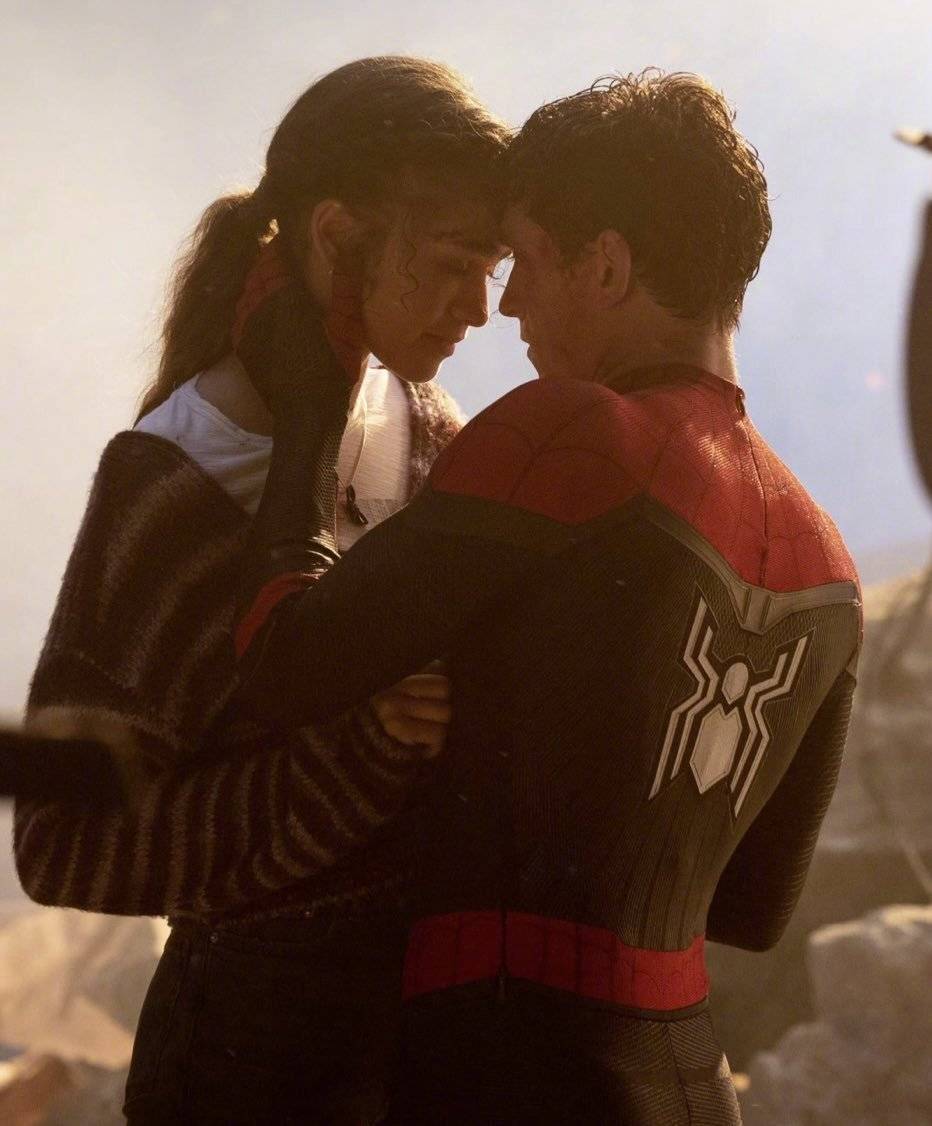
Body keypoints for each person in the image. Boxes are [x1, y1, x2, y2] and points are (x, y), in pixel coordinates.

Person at [227, 71, 863, 1124]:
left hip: (505, 1072)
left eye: (524, 259)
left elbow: (282, 660)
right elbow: (754, 907)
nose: (507, 303)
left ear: (605, 265)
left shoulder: (569, 432)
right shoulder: (827, 556)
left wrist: (312, 403)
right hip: (688, 1086)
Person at [13, 56, 509, 1124]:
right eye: (451, 263)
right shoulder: (176, 478)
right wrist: (354, 755)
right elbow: (66, 848)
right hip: (246, 1064)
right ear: (335, 234)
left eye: (495, 266)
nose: (480, 308)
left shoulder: (432, 428)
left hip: (417, 1046)